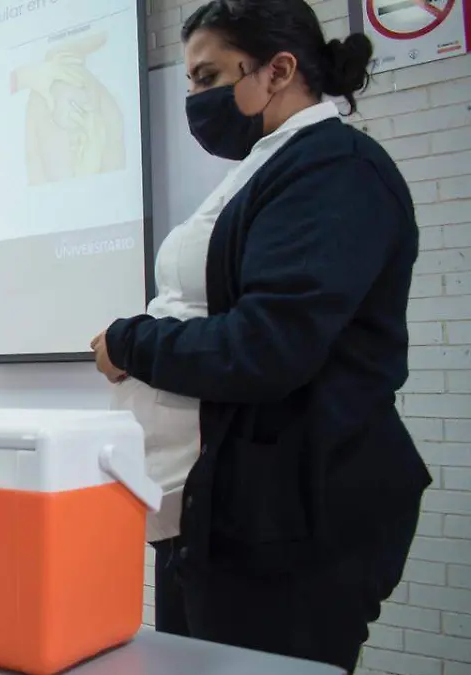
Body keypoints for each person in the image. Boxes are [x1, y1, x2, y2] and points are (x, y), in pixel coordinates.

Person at [90, 1, 431, 671]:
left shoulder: (335, 169)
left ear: (278, 70)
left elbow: (267, 345)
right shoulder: (267, 165)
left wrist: (130, 343)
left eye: (208, 75)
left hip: (296, 519)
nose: (194, 99)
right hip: (222, 517)